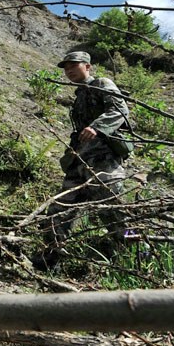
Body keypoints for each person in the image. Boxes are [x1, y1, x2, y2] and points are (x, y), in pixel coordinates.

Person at [34, 51, 131, 270]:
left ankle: (133, 256)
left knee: (113, 210)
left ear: (87, 66)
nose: (68, 70)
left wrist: (96, 127)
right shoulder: (80, 96)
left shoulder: (102, 84)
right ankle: (52, 257)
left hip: (103, 161)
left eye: (73, 65)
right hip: (80, 163)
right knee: (60, 209)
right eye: (66, 67)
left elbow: (120, 109)